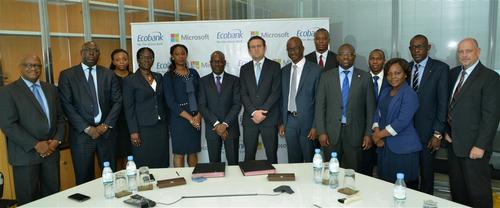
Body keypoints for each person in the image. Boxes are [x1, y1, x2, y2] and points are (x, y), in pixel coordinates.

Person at [0, 55, 65, 205]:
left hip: (51, 153)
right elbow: (8, 125)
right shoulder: (7, 91)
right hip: (25, 156)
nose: (33, 69)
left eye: (37, 65)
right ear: (21, 67)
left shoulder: (51, 89)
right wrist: (36, 144)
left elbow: (61, 118)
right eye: (28, 65)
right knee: (28, 201)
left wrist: (57, 140)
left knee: (53, 198)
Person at [445, 38, 500, 208]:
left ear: (478, 51)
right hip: (453, 145)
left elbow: (491, 116)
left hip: (474, 149)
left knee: (478, 195)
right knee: (458, 192)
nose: (464, 55)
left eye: (468, 51)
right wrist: (447, 130)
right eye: (460, 51)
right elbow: (449, 105)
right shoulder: (453, 73)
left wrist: (480, 146)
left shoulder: (490, 77)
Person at [58, 41, 122, 184]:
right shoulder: (67, 75)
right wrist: (87, 128)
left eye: (95, 50)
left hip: (106, 134)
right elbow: (66, 105)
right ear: (82, 53)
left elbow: (117, 101)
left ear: (99, 54)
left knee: (110, 177)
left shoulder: (108, 74)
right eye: (88, 50)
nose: (91, 53)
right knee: (84, 179)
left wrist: (105, 125)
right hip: (82, 136)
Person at [314, 43, 375, 168]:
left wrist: (368, 133)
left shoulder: (365, 77)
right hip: (331, 134)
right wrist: (321, 132)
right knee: (331, 170)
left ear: (354, 57)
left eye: (349, 54)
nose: (346, 57)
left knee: (353, 172)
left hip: (355, 134)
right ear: (337, 57)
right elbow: (320, 106)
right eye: (342, 54)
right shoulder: (326, 77)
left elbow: (370, 109)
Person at [407, 34, 449, 194]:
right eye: (413, 47)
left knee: (426, 176)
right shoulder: (407, 68)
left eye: (420, 46)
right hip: (408, 132)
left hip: (429, 134)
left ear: (428, 48)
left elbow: (443, 103)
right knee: (410, 174)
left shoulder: (440, 69)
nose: (416, 50)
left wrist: (437, 134)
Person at [371, 58, 422, 188]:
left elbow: (402, 121)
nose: (393, 77)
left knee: (403, 188)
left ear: (405, 74)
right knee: (385, 185)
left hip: (403, 149)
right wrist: (376, 131)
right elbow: (377, 113)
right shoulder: (386, 91)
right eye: (389, 73)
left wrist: (378, 135)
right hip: (384, 148)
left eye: (397, 73)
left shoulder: (409, 94)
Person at [123, 47, 169, 168]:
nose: (147, 60)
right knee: (144, 160)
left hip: (161, 126)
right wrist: (133, 131)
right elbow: (129, 108)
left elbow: (164, 101)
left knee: (162, 159)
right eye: (144, 57)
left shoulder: (159, 77)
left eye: (150, 57)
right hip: (142, 128)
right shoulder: (130, 80)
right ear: (138, 60)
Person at [278, 37, 321, 163]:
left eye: (296, 48)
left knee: (309, 160)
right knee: (293, 160)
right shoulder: (284, 71)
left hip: (308, 123)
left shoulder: (316, 70)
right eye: (289, 49)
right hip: (289, 121)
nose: (293, 52)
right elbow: (281, 98)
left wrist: (315, 126)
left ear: (302, 48)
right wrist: (281, 122)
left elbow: (320, 101)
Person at [240, 36, 281, 164]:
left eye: (259, 46)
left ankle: (273, 182)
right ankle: (249, 183)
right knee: (249, 156)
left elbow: (276, 92)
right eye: (253, 47)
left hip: (269, 118)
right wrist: (253, 112)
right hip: (250, 119)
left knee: (272, 156)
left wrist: (263, 112)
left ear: (265, 48)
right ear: (249, 50)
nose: (256, 49)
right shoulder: (244, 69)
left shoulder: (275, 66)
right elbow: (243, 93)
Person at [198, 51, 241, 165]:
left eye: (220, 61)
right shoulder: (203, 81)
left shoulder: (235, 80)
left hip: (231, 128)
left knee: (233, 164)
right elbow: (202, 106)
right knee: (214, 165)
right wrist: (217, 124)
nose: (217, 64)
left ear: (224, 62)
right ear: (210, 63)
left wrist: (225, 124)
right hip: (212, 129)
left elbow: (237, 104)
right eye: (214, 61)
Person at [163, 44, 201, 167]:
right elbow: (170, 102)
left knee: (193, 152)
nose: (180, 56)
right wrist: (190, 118)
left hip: (196, 117)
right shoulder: (169, 76)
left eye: (183, 53)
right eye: (177, 54)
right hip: (178, 119)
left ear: (186, 55)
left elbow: (201, 96)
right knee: (179, 153)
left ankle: (194, 179)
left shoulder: (194, 73)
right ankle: (180, 180)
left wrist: (199, 115)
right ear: (172, 57)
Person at [359, 49, 389, 176]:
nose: (375, 61)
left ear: (384, 61)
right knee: (365, 170)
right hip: (365, 132)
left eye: (379, 58)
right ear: (368, 61)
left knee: (385, 171)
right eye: (372, 58)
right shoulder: (360, 79)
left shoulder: (392, 80)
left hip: (386, 133)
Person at [109, 48, 131, 170]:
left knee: (130, 154)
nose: (121, 62)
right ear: (113, 61)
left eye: (124, 59)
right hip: (114, 122)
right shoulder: (108, 77)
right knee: (117, 155)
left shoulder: (133, 77)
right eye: (118, 60)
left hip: (130, 122)